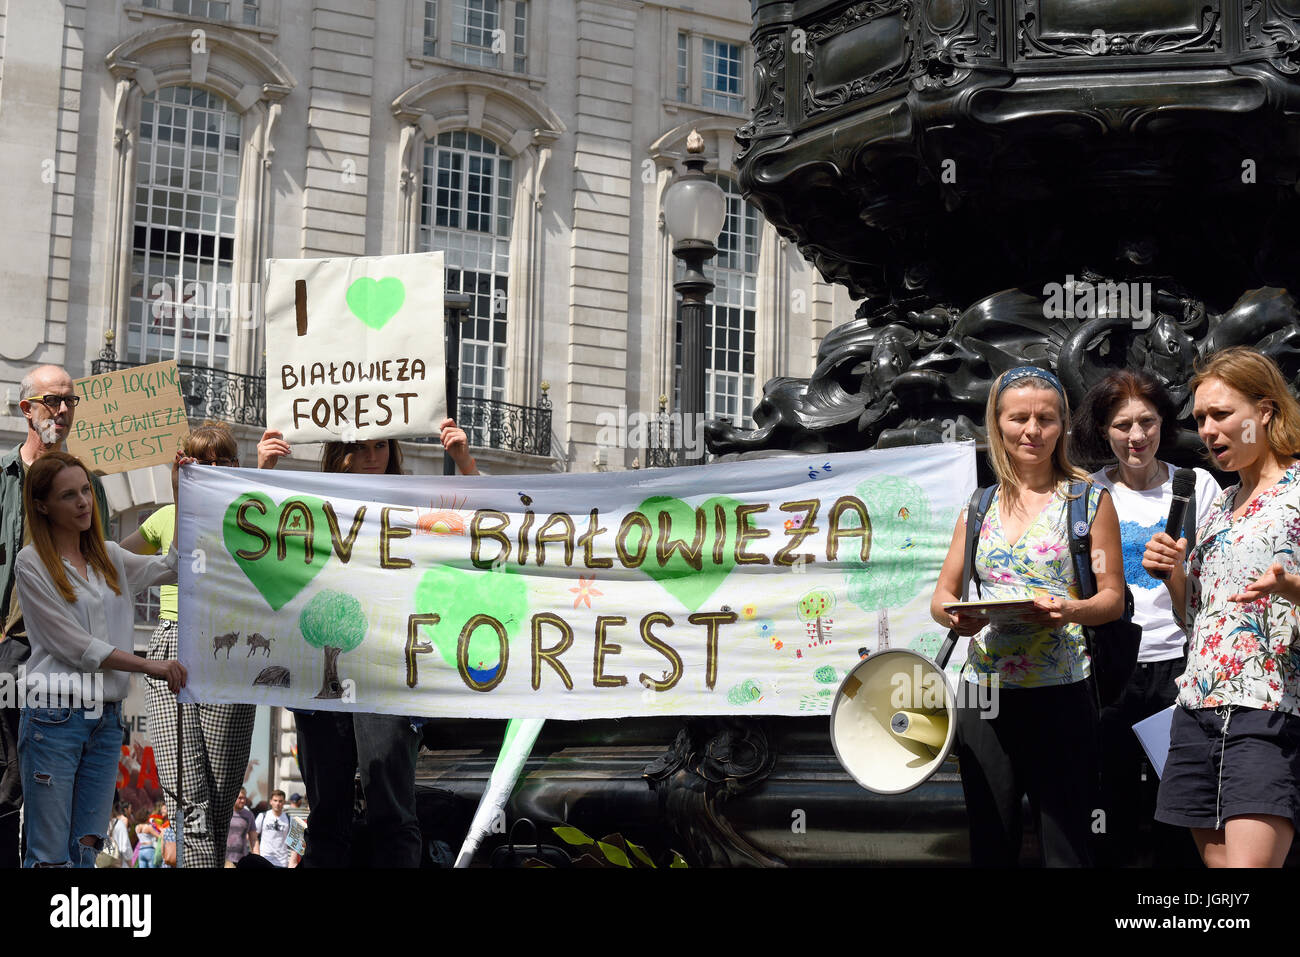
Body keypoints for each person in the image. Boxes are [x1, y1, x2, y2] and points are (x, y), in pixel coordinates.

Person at [257, 420, 476, 867]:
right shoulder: (308, 503)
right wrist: (263, 470)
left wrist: (464, 462)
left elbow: (486, 526)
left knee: (392, 814)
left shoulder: (413, 501)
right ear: (341, 452)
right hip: (322, 682)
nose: (373, 455)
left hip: (389, 674)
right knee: (326, 820)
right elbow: (254, 543)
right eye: (361, 447)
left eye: (381, 445)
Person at [930, 366, 1125, 867]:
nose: (1032, 431)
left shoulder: (1088, 501)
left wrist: (1071, 610)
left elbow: (1112, 600)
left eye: (1046, 418)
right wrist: (959, 619)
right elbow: (942, 598)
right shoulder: (978, 506)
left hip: (1061, 688)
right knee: (991, 843)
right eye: (1019, 418)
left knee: (1065, 848)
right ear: (997, 424)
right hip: (985, 693)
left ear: (1062, 426)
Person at [1143, 347, 1300, 867]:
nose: (1208, 431)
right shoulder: (1220, 506)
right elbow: (1197, 621)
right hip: (1196, 710)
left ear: (1266, 412)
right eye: (1200, 419)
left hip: (1267, 707)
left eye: (1221, 414)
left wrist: (1289, 586)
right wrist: (1175, 579)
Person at [1073, 370, 1220, 866]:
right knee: (1109, 801)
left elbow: (1215, 573)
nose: (1136, 437)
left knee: (1178, 801)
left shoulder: (1195, 484)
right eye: (1122, 426)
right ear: (1104, 430)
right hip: (1111, 667)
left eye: (1147, 422)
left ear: (1162, 424)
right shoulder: (1086, 494)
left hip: (1181, 665)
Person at [13, 450, 187, 866]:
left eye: (86, 491)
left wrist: (181, 496)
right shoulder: (31, 563)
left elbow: (174, 566)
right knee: (48, 853)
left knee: (86, 853)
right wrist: (148, 665)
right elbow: (74, 646)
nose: (83, 502)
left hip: (106, 720)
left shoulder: (108, 556)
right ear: (42, 505)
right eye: (68, 495)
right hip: (54, 717)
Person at [121, 421, 256, 868]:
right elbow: (112, 566)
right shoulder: (165, 516)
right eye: (201, 460)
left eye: (224, 460)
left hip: (232, 651)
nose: (213, 468)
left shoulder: (255, 517)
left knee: (219, 796)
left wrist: (268, 472)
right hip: (174, 644)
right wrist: (181, 497)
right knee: (188, 793)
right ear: (183, 465)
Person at [0, 365, 111, 867]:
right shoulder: (4, 479)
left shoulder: (87, 485)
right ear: (27, 410)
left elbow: (106, 564)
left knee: (53, 794)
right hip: (12, 646)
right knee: (4, 786)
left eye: (71, 401)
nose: (63, 410)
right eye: (53, 401)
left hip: (66, 657)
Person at [256, 789, 293, 868]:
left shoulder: (289, 819)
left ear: (284, 802)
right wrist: (257, 855)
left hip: (282, 862)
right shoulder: (263, 816)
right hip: (264, 859)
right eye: (275, 800)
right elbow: (253, 837)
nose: (277, 803)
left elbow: (294, 843)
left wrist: (292, 862)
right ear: (270, 801)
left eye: (280, 801)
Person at [226, 787, 259, 867]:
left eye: (244, 798)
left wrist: (258, 859)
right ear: (233, 797)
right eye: (240, 798)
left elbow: (254, 839)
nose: (243, 801)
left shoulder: (249, 815)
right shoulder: (225, 813)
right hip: (225, 859)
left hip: (243, 860)